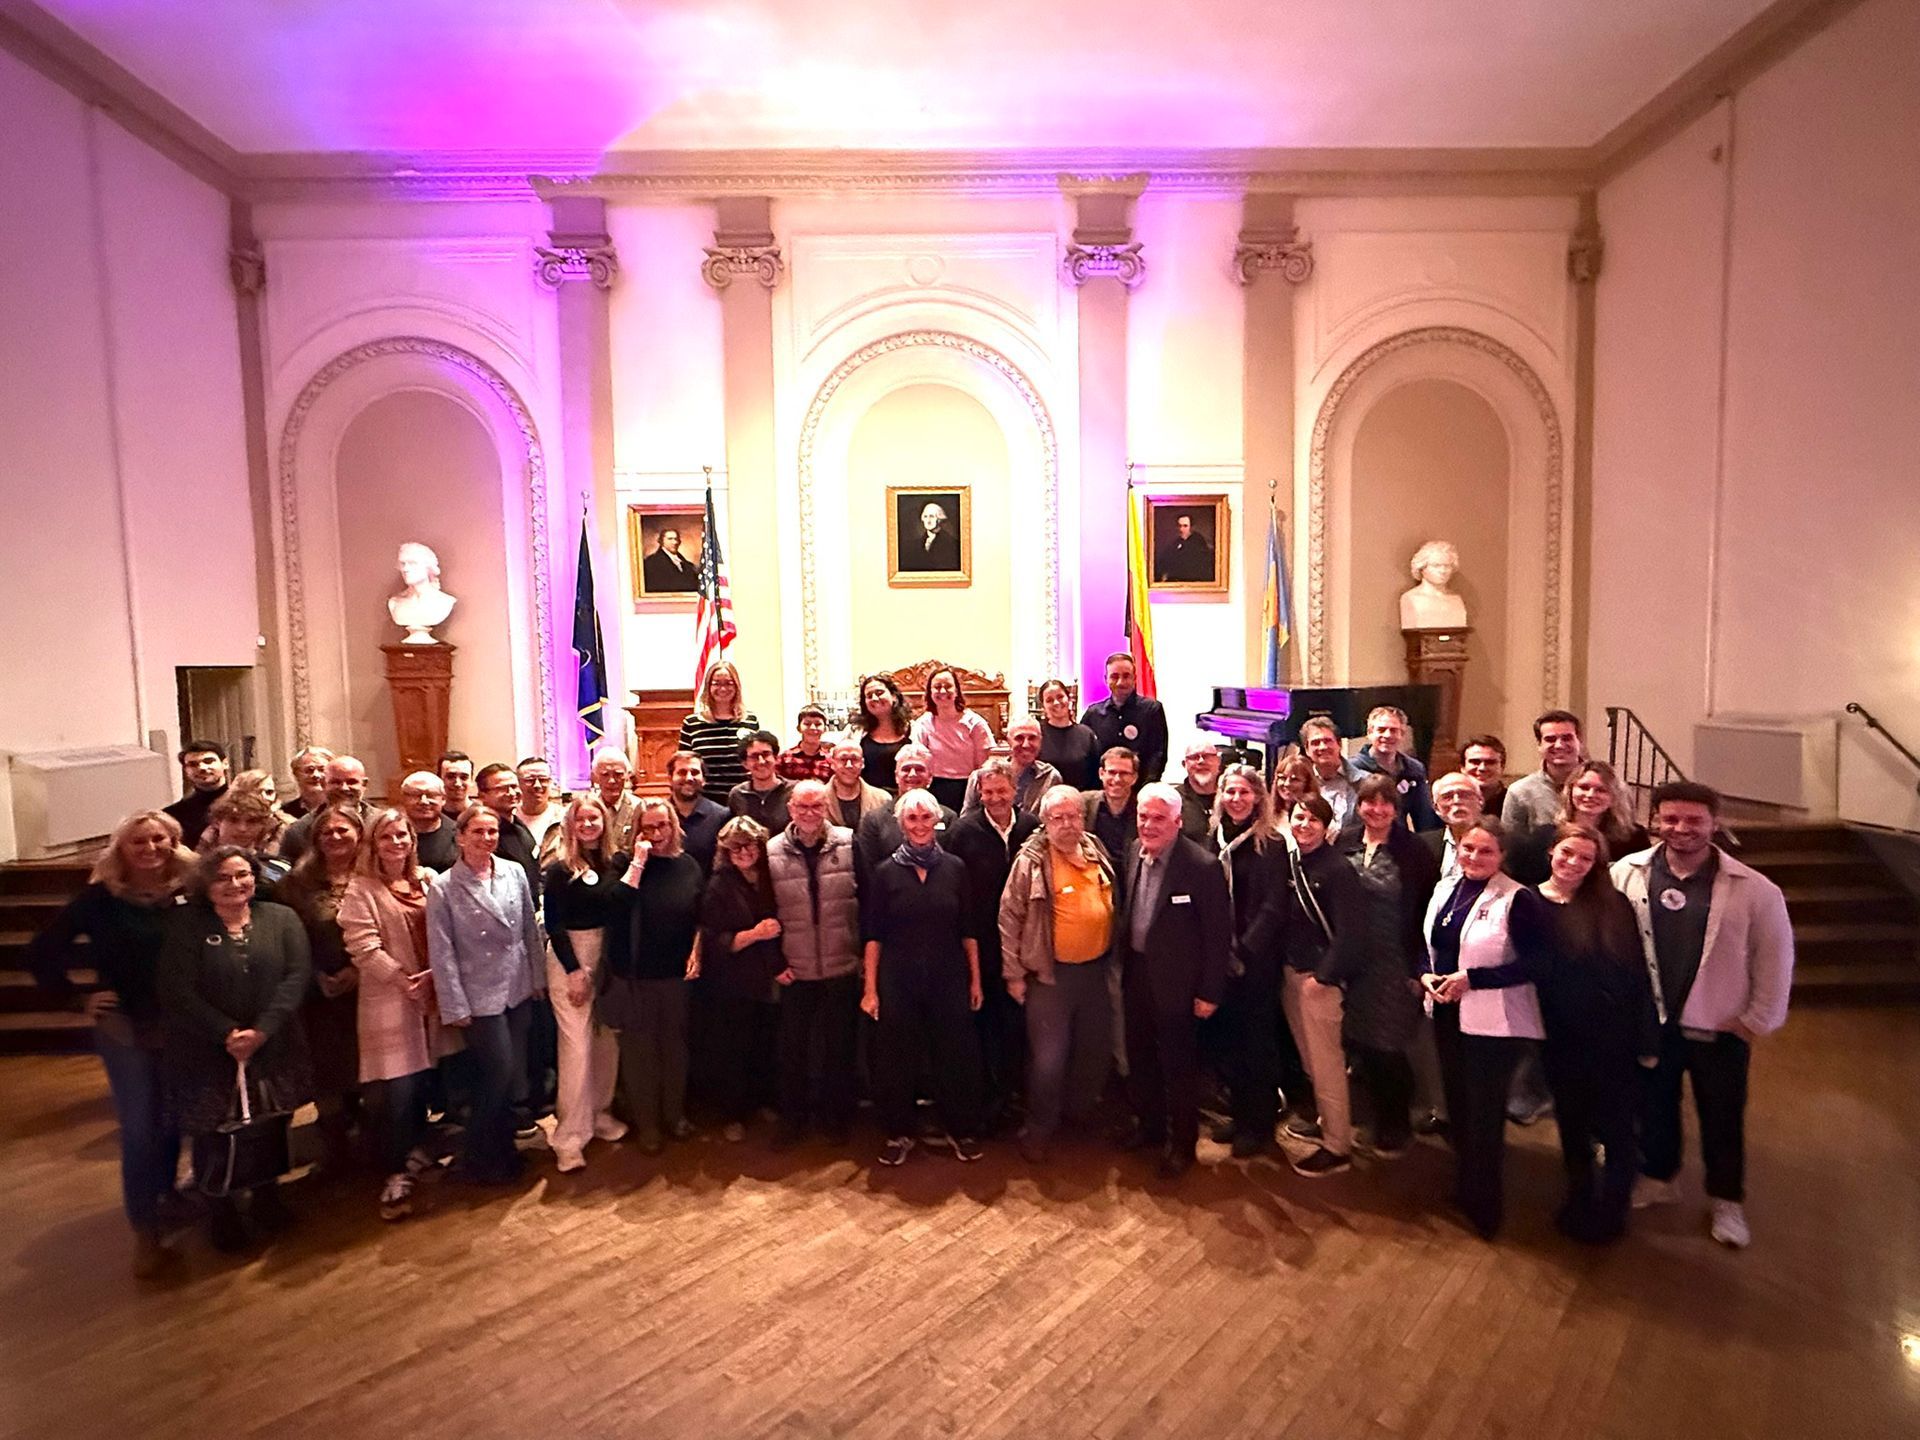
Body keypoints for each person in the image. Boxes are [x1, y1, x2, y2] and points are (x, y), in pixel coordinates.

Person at [1613, 781, 1794, 1250]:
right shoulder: (1626, 873)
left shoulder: (1755, 890)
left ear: (1715, 823)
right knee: (1655, 1106)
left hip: (1719, 1025)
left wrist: (1758, 1018)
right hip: (1651, 1021)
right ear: (1655, 821)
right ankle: (1659, 1175)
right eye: (1670, 819)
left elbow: (1774, 958)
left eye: (1694, 820)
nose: (1681, 829)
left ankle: (1726, 1199)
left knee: (1722, 1116)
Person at [26, 811, 196, 1276]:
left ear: (173, 842)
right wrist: (77, 996)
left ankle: (166, 1195)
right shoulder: (99, 901)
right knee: (140, 1124)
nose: (150, 848)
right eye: (138, 841)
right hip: (125, 1025)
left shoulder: (188, 892)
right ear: (121, 849)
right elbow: (42, 951)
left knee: (172, 1116)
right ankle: (145, 1229)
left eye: (159, 839)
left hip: (182, 1023)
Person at [158, 846, 313, 1251]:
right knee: (215, 1131)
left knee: (270, 1124)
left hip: (272, 1043)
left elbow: (296, 976)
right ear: (205, 883)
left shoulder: (280, 918)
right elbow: (177, 989)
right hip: (207, 1050)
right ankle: (221, 1210)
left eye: (242, 874)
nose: (235, 884)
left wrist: (262, 1031)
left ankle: (266, 1198)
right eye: (223, 877)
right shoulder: (186, 925)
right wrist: (226, 1032)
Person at [1421, 817, 1552, 1239]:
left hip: (1493, 1022)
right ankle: (1464, 1186)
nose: (1474, 858)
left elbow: (1537, 964)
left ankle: (1487, 1206)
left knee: (1484, 1115)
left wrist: (1471, 980)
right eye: (1468, 849)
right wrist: (1425, 974)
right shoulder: (1446, 888)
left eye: (1485, 852)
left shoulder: (1518, 900)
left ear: (1503, 857)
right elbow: (1432, 944)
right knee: (1458, 1107)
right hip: (1446, 1012)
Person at [1532, 823, 1658, 1243]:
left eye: (1586, 858)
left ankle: (1613, 1209)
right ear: (1551, 851)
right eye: (1567, 853)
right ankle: (1579, 1195)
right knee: (1571, 1123)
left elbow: (1637, 973)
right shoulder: (1530, 900)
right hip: (1559, 1036)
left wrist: (1645, 1038)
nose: (1574, 863)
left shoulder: (1612, 904)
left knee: (1618, 1127)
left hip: (1611, 1037)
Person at [862, 790, 987, 1166]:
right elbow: (873, 935)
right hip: (897, 977)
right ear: (901, 825)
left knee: (956, 1053)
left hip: (948, 974)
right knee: (895, 1057)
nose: (919, 825)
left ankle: (960, 1128)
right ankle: (899, 1132)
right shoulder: (885, 873)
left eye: (925, 818)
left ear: (937, 822)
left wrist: (975, 980)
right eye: (911, 819)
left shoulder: (955, 868)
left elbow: (969, 930)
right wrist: (870, 989)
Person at [340, 808, 453, 1222]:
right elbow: (363, 946)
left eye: (403, 836)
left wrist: (435, 977)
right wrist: (404, 980)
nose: (397, 843)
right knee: (396, 1092)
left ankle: (419, 1154)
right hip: (391, 998)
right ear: (373, 844)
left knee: (427, 1081)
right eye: (387, 837)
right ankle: (394, 1170)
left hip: (433, 993)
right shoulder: (362, 889)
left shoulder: (425, 880)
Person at [1117, 784, 1230, 1179]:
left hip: (1180, 987)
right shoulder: (1133, 852)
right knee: (1141, 1058)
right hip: (1137, 976)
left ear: (1178, 822)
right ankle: (1149, 1128)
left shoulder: (1202, 867)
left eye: (1158, 818)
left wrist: (1209, 992)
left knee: (1179, 1068)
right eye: (1143, 816)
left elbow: (1219, 936)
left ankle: (1182, 1145)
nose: (1148, 825)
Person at [1001, 784, 1119, 1163]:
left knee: (1094, 1052)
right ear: (1045, 821)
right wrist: (1014, 975)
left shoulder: (1095, 849)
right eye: (1058, 817)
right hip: (1051, 978)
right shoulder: (1032, 861)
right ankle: (1038, 1127)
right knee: (1049, 1060)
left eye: (1074, 816)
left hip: (1095, 973)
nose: (1067, 824)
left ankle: (1078, 1116)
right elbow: (1009, 917)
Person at [427, 804, 544, 1185]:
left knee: (512, 1077)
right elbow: (441, 951)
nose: (487, 838)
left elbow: (528, 927)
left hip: (517, 987)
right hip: (478, 995)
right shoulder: (444, 886)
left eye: (492, 831)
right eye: (477, 832)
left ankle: (504, 1150)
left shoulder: (512, 872)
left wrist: (537, 978)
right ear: (460, 837)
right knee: (497, 1073)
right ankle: (479, 1154)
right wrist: (454, 1003)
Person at [1335, 775, 1441, 1158]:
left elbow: (1427, 911)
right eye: (1369, 802)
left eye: (1385, 804)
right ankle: (1373, 1117)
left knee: (1389, 1045)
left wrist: (1419, 967)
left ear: (1396, 810)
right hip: (1354, 960)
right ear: (1359, 806)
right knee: (1360, 1042)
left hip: (1395, 960)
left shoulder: (1414, 851)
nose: (1376, 810)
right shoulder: (1345, 840)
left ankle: (1396, 1123)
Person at [602, 799, 704, 1153]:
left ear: (674, 827)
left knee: (675, 1048)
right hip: (636, 975)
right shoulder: (622, 864)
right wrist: (639, 862)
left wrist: (698, 948)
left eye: (663, 826)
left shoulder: (688, 865)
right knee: (639, 1052)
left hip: (677, 974)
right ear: (637, 831)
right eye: (649, 827)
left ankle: (674, 1116)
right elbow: (615, 906)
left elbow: (699, 915)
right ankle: (648, 1125)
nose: (657, 834)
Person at [943, 761, 1040, 1131]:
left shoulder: (1032, 828)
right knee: (981, 1025)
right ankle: (985, 1103)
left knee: (1017, 1026)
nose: (996, 798)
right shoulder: (963, 831)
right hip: (979, 944)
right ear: (979, 792)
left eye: (1003, 790)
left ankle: (1014, 1098)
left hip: (1022, 945)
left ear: (1015, 791)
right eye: (989, 791)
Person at [765, 781, 863, 1145]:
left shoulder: (850, 843)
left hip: (841, 963)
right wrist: (775, 961)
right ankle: (792, 1120)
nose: (809, 814)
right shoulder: (771, 850)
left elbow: (865, 900)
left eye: (816, 807)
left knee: (839, 1049)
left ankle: (836, 1119)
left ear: (827, 808)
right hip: (795, 967)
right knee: (793, 1051)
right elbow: (765, 910)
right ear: (790, 809)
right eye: (802, 807)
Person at [1273, 796, 1365, 1176]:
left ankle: (1338, 1146)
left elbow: (1352, 932)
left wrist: (1324, 977)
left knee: (1327, 1065)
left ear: (1327, 827)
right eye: (1299, 816)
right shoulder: (1294, 861)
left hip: (1318, 981)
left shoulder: (1337, 868)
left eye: (1314, 819)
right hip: (1293, 974)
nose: (1305, 824)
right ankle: (1328, 1122)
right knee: (1312, 1061)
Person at [539, 796, 629, 1172]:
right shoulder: (559, 868)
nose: (589, 824)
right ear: (570, 825)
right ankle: (569, 1136)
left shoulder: (617, 862)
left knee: (606, 1040)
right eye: (582, 819)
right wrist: (575, 970)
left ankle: (599, 1112)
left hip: (606, 953)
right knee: (576, 1047)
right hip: (569, 957)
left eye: (595, 818)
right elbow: (555, 924)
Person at [1205, 765, 1289, 1157]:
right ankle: (1239, 1116)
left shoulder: (1270, 844)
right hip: (1220, 959)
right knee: (1229, 1041)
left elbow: (1273, 907)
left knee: (1257, 1043)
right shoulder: (1213, 840)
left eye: (1244, 793)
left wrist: (1244, 950)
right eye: (1230, 792)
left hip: (1255, 962)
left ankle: (1260, 1124)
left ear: (1258, 798)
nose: (1236, 799)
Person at [277, 803, 366, 1172]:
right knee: (328, 1072)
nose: (334, 837)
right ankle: (335, 1148)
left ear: (359, 835)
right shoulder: (295, 884)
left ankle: (369, 1141)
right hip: (319, 994)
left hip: (368, 989)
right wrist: (316, 975)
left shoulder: (374, 875)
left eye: (343, 830)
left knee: (367, 1070)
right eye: (326, 832)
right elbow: (287, 938)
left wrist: (358, 970)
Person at [697, 817, 786, 1142]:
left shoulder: (768, 878)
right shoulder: (719, 884)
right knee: (733, 1050)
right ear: (726, 850)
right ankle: (733, 1114)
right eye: (736, 847)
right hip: (733, 981)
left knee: (765, 1044)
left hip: (766, 977)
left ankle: (761, 1101)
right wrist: (754, 935)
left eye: (750, 845)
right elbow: (714, 941)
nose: (744, 851)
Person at [855, 745, 956, 870]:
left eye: (919, 769)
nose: (912, 774)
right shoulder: (874, 820)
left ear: (930, 777)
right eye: (906, 769)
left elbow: (952, 866)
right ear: (896, 776)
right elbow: (868, 870)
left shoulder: (948, 818)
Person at [909, 665, 993, 812]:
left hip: (968, 788)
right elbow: (918, 761)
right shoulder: (923, 723)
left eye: (948, 686)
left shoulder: (975, 723)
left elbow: (983, 768)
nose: (942, 691)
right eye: (937, 687)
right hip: (933, 788)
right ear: (930, 692)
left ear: (956, 691)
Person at [1080, 652, 1169, 783]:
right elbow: (1086, 755)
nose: (1120, 682)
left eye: (1126, 676)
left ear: (1135, 678)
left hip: (1141, 790)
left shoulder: (1152, 710)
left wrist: (1147, 788)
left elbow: (1158, 754)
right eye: (1114, 677)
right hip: (1104, 790)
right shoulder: (1093, 714)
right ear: (1106, 679)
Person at [1351, 706, 1440, 833]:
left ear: (1402, 734)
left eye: (1394, 730)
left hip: (1398, 841)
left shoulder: (1414, 769)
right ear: (1370, 732)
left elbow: (1424, 817)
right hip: (1360, 841)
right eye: (1381, 730)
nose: (1387, 735)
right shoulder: (1353, 768)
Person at [679, 661, 758, 795]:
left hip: (743, 798)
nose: (723, 689)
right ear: (708, 687)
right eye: (716, 683)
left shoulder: (750, 720)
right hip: (705, 800)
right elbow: (683, 764)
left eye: (728, 683)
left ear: (737, 686)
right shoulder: (691, 723)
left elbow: (754, 760)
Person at [1501, 710, 1586, 832]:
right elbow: (1510, 845)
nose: (1559, 745)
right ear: (1539, 745)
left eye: (1567, 738)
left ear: (1580, 742)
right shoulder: (1520, 792)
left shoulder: (1604, 787)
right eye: (1550, 739)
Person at [278, 755, 372, 863]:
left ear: (364, 784)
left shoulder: (381, 824)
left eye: (351, 782)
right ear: (323, 784)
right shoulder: (299, 830)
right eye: (336, 782)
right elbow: (285, 873)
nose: (344, 788)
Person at [960, 716, 1060, 815]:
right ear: (1009, 741)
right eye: (1019, 738)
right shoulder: (981, 776)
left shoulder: (1050, 777)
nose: (1026, 744)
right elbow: (965, 821)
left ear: (1040, 741)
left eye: (1032, 738)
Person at [475, 763, 541, 899]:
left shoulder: (518, 825)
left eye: (514, 786)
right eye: (502, 789)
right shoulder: (482, 835)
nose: (511, 793)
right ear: (482, 795)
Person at [200, 792, 291, 890]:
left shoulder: (278, 869)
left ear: (263, 825)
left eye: (252, 821)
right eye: (233, 820)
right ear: (217, 822)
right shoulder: (199, 868)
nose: (242, 828)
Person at [665, 750, 730, 872]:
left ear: (704, 780)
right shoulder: (659, 816)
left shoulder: (722, 816)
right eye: (682, 772)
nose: (689, 778)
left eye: (694, 772)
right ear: (670, 778)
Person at [1299, 717, 1360, 837]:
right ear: (1307, 750)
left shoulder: (1363, 782)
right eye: (1315, 743)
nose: (1322, 747)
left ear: (1339, 744)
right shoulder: (1301, 784)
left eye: (1327, 741)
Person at [164, 739, 230, 849]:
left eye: (209, 761)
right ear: (186, 771)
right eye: (193, 764)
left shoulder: (248, 805)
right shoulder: (172, 816)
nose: (202, 768)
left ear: (225, 764)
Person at [1036, 677, 1099, 791]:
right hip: (1044, 803)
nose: (1056, 702)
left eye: (1060, 697)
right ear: (1043, 706)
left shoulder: (1086, 734)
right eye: (1049, 700)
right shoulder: (1036, 734)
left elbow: (1095, 775)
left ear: (1069, 699)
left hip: (1080, 801)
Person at [853, 673, 913, 792]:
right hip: (869, 802)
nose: (875, 698)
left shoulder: (914, 731)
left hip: (906, 801)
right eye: (869, 696)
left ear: (894, 696)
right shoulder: (856, 732)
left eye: (879, 693)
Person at [1081, 746, 1140, 863]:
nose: (1117, 779)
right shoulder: (1083, 802)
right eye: (1112, 772)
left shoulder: (1143, 809)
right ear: (1101, 773)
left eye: (1124, 773)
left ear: (1134, 778)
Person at [728, 730, 794, 833]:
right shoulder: (737, 795)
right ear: (745, 763)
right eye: (754, 756)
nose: (761, 761)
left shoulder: (793, 791)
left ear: (776, 757)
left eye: (766, 754)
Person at [1423, 771, 1484, 879]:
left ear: (1480, 801)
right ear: (1436, 808)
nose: (1456, 801)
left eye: (1464, 795)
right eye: (1447, 797)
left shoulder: (1505, 843)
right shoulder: (1421, 846)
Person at [824, 740, 892, 832]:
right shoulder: (817, 799)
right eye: (843, 759)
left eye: (854, 759)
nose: (849, 765)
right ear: (832, 763)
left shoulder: (882, 800)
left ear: (862, 763)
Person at [400, 770, 458, 873]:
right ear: (403, 798)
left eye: (431, 795)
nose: (423, 801)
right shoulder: (391, 833)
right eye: (415, 794)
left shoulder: (459, 833)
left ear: (443, 799)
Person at [589, 745, 640, 852]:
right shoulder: (584, 808)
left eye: (618, 774)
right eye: (605, 774)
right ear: (595, 777)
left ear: (627, 775)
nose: (611, 781)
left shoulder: (639, 808)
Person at [1174, 737, 1223, 839]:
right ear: (1184, 764)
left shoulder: (1231, 797)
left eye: (1207, 756)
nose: (1201, 761)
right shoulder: (1173, 801)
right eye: (1194, 757)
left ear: (1218, 761)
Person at [515, 756, 566, 851]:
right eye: (529, 780)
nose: (537, 785)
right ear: (518, 784)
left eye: (543, 780)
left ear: (550, 782)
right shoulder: (510, 819)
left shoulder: (564, 817)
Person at [777, 704, 837, 782]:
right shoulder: (785, 758)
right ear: (798, 728)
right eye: (807, 724)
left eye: (818, 724)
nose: (812, 728)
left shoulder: (830, 761)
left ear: (825, 729)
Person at [1154, 512, 1216, 583]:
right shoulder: (1176, 542)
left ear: (1191, 527)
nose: (1181, 529)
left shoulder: (1198, 542)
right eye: (1179, 526)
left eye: (1185, 526)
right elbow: (1167, 559)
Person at [1460, 735, 1509, 823]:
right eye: (1475, 762)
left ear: (1502, 767)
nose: (1482, 768)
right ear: (1462, 767)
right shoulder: (1451, 803)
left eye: (1490, 762)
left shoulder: (1513, 802)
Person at [902, 500, 961, 572]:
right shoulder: (913, 544)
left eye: (932, 517)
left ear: (940, 519)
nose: (928, 520)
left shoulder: (952, 544)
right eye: (925, 517)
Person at [281, 745, 334, 821]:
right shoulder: (284, 812)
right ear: (296, 774)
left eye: (322, 769)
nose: (316, 775)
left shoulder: (342, 809)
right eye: (309, 770)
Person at [642, 526, 700, 592]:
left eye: (676, 539)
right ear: (661, 541)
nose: (674, 542)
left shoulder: (688, 565)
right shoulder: (651, 562)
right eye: (670, 539)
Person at [438, 750, 476, 823]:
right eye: (450, 777)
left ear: (471, 781)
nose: (457, 783)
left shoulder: (483, 815)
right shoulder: (431, 815)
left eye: (464, 777)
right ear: (439, 779)